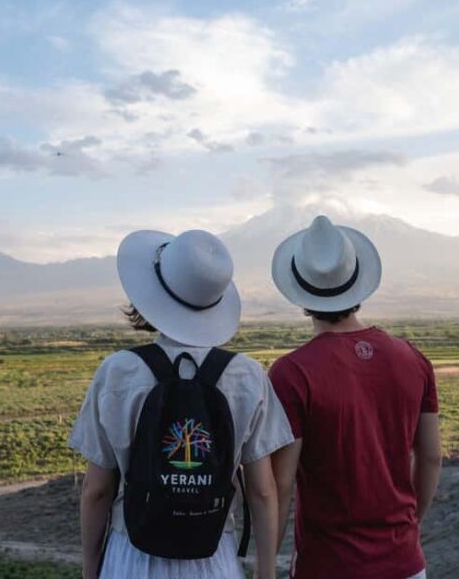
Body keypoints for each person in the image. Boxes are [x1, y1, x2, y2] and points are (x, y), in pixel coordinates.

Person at [69, 228, 294, 579]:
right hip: (213, 553)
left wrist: (90, 568)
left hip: (131, 554)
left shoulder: (117, 372)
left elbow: (96, 490)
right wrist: (266, 572)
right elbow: (263, 491)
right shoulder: (246, 376)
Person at [268, 216, 443, 579]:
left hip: (329, 566)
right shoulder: (413, 358)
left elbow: (280, 485)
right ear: (358, 284)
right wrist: (411, 528)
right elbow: (430, 457)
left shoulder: (292, 372)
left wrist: (266, 567)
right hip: (406, 565)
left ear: (300, 292)